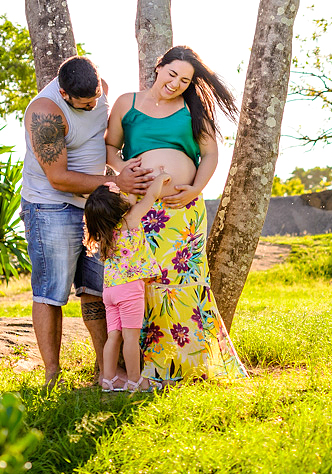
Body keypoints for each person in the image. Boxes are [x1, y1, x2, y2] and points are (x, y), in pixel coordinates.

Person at [105, 45, 247, 384]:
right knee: (146, 285)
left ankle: (188, 365)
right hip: (141, 210)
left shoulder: (193, 109)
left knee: (183, 284)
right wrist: (123, 168)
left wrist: (196, 188)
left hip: (183, 212)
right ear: (159, 67)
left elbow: (210, 155)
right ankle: (147, 369)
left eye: (185, 80)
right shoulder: (128, 103)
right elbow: (109, 146)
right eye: (172, 74)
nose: (176, 83)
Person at [21, 55, 153, 387]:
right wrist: (114, 183)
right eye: (86, 103)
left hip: (93, 205)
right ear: (65, 94)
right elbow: (59, 178)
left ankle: (104, 370)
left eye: (96, 98)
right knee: (51, 291)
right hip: (51, 206)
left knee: (97, 286)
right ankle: (53, 374)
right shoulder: (45, 113)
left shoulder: (100, 89)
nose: (95, 105)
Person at [83, 172, 172, 393]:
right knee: (131, 338)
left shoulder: (105, 232)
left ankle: (109, 379)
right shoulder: (130, 220)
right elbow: (151, 197)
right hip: (130, 288)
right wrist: (161, 178)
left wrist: (127, 189)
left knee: (114, 336)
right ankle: (136, 381)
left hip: (110, 290)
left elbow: (130, 200)